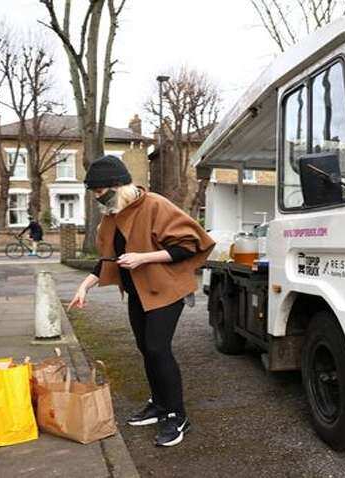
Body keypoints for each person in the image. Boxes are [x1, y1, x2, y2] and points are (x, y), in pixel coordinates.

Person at [68, 155, 215, 447]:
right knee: (146, 349)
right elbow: (108, 259)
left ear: (118, 185)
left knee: (158, 348)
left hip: (167, 289)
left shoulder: (155, 205)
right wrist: (84, 286)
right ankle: (159, 404)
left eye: (100, 191)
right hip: (138, 292)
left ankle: (177, 415)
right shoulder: (112, 215)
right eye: (94, 192)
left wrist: (144, 257)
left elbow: (188, 245)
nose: (98, 198)